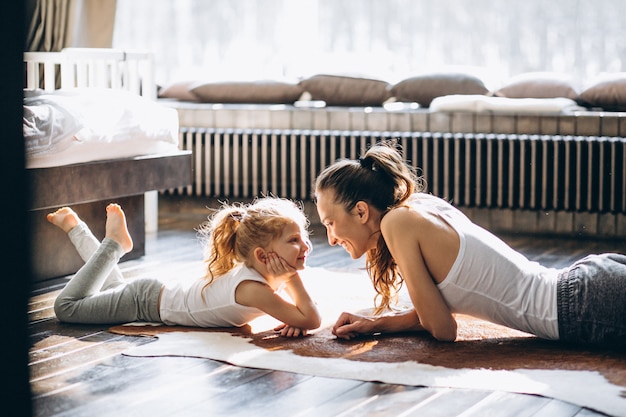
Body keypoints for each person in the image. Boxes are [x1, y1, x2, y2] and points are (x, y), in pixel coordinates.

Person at [314, 141, 626, 347]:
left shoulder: (397, 224)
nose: (330, 238)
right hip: (587, 282)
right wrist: (376, 323)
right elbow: (437, 309)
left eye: (330, 223)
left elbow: (442, 329)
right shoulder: (417, 206)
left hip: (582, 308)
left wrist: (380, 324)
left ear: (360, 210)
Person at [49, 198, 321, 337]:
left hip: (149, 294)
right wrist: (292, 280)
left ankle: (75, 227)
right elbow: (311, 318)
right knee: (68, 307)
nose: (305, 245)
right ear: (263, 256)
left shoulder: (258, 273)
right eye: (294, 240)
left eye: (303, 237)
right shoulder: (252, 289)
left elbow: (301, 314)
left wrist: (294, 316)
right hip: (143, 303)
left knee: (112, 288)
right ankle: (114, 244)